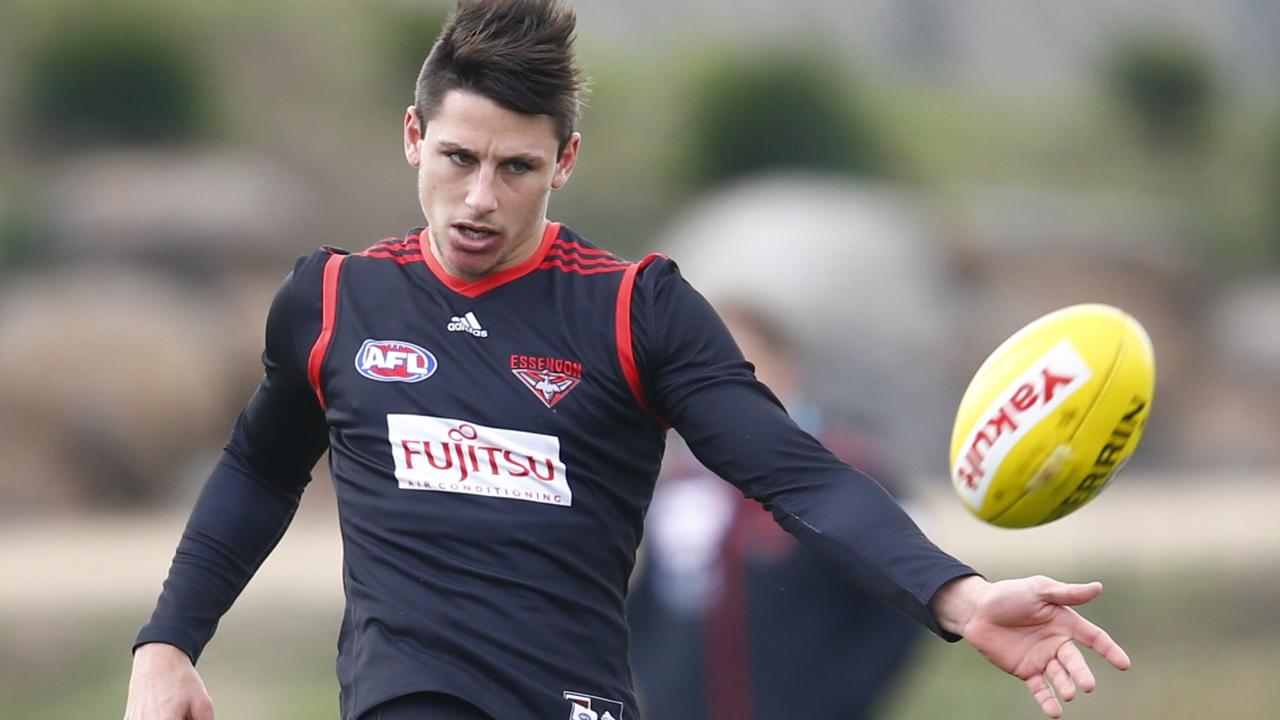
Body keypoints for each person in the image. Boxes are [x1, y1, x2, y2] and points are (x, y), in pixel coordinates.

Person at [124, 2, 1130, 719]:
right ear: (412, 138)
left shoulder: (632, 311)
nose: (479, 198)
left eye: (515, 168)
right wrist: (167, 645)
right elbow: (259, 469)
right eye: (457, 159)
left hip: (579, 700)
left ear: (563, 162)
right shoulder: (335, 299)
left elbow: (792, 472)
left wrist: (956, 595)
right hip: (408, 693)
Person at [628, 303, 924, 720]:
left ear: (785, 367)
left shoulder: (848, 472)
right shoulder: (680, 485)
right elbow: (649, 608)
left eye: (733, 363)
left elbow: (898, 610)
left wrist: (842, 699)